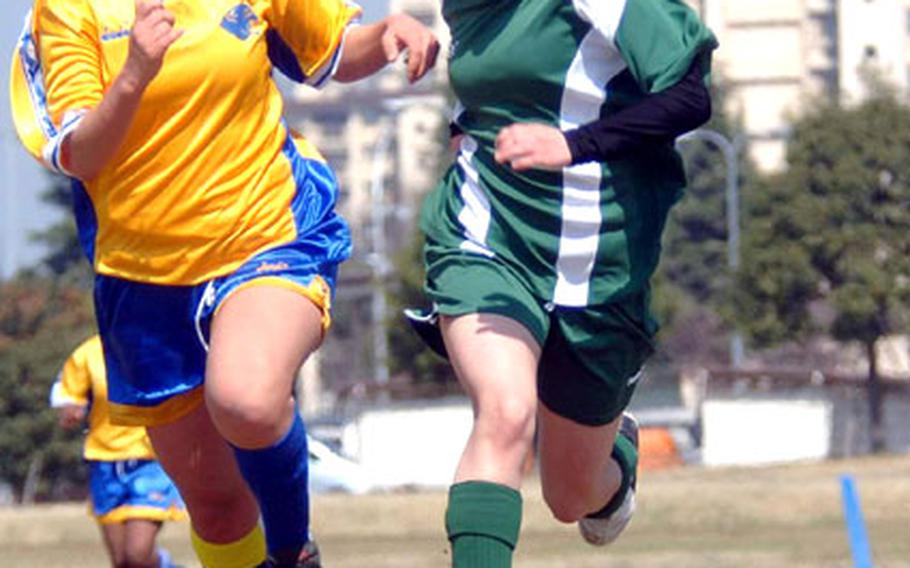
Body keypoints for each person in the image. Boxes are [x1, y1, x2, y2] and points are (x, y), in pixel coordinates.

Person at [11, 1, 439, 566]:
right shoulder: (66, 10)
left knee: (247, 399)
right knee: (217, 510)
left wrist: (385, 34)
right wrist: (134, 74)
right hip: (142, 278)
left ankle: (291, 553)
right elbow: (79, 152)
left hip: (268, 231)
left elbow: (332, 52)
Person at [408, 0, 717, 565]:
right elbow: (494, 88)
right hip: (485, 233)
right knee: (504, 411)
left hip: (601, 263)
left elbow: (690, 97)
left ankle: (615, 464)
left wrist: (574, 145)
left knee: (570, 496)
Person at [51, 334, 186, 568]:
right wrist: (71, 412)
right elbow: (68, 398)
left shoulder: (158, 345)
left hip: (149, 462)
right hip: (105, 463)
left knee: (137, 555)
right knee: (122, 562)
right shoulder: (88, 353)